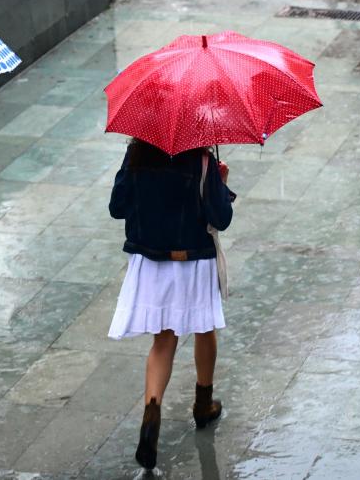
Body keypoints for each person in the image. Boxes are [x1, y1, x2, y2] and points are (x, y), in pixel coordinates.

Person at [108, 138, 234, 470]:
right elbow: (220, 218)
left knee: (163, 341)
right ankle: (203, 404)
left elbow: (117, 206)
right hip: (193, 259)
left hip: (152, 260)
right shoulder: (201, 159)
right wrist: (220, 183)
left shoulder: (136, 154)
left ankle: (152, 413)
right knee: (204, 328)